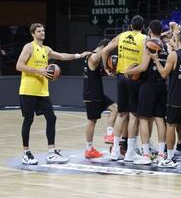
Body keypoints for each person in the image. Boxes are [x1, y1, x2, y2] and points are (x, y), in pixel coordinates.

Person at [16, 23, 90, 165]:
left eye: (43, 30)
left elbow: (61, 56)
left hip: (42, 92)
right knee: (28, 120)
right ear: (33, 33)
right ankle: (26, 153)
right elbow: (19, 66)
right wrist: (39, 71)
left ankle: (51, 152)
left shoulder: (46, 49)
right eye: (39, 31)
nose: (42, 33)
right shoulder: (29, 47)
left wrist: (79, 55)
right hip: (28, 91)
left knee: (52, 118)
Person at [149, 30, 181, 170]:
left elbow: (164, 74)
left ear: (177, 39)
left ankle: (169, 158)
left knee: (170, 125)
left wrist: (156, 60)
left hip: (176, 97)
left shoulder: (173, 55)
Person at [101, 15, 146, 162]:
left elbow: (104, 51)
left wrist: (107, 68)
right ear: (142, 26)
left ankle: (115, 151)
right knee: (134, 116)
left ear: (131, 26)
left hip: (120, 77)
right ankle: (130, 153)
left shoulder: (122, 36)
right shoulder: (144, 39)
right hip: (135, 77)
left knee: (121, 114)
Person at [124, 20, 169, 165]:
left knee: (143, 119)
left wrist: (129, 71)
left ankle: (146, 155)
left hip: (148, 85)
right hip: (162, 85)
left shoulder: (148, 44)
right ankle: (162, 154)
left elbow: (143, 67)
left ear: (149, 30)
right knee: (160, 120)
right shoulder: (167, 46)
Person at [83, 39, 118, 158]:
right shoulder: (93, 57)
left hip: (98, 93)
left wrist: (108, 71)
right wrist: (113, 44)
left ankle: (109, 134)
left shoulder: (94, 58)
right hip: (91, 95)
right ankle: (88, 149)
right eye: (107, 50)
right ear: (104, 47)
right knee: (92, 121)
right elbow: (102, 54)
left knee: (115, 108)